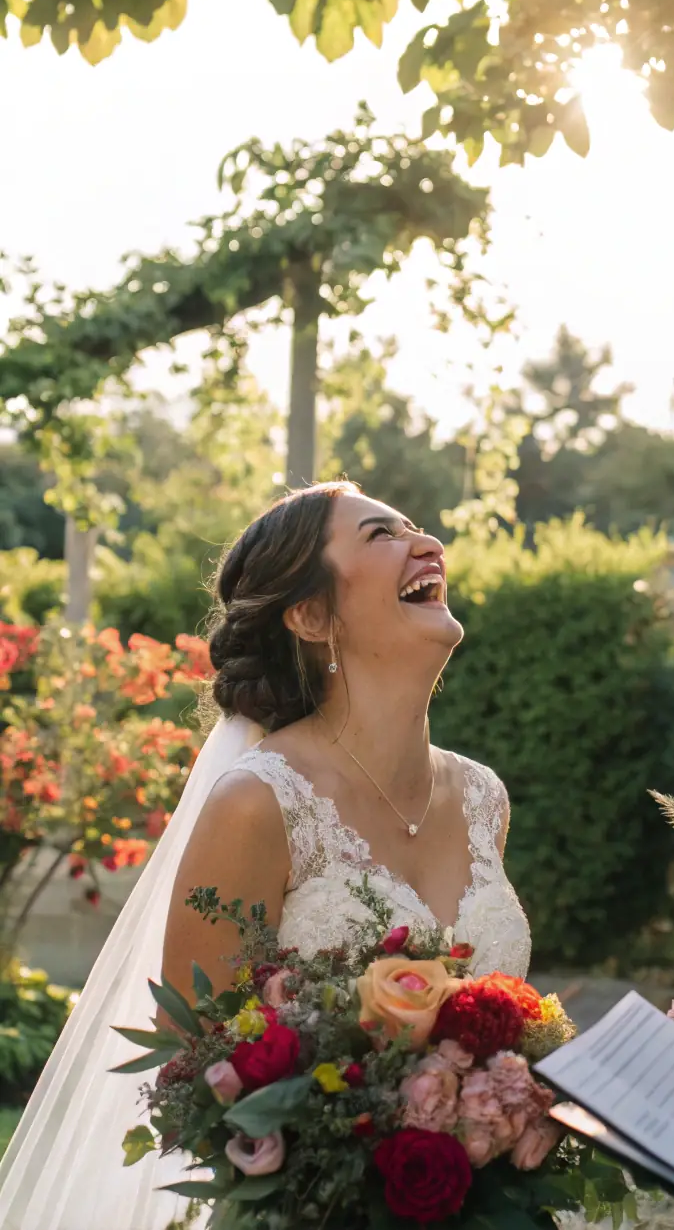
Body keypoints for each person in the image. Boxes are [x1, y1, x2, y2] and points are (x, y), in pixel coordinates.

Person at [0, 481, 531, 1230]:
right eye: (381, 534)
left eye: (416, 527)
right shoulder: (259, 802)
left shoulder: (484, 799)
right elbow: (194, 1067)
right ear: (312, 615)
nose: (427, 543)